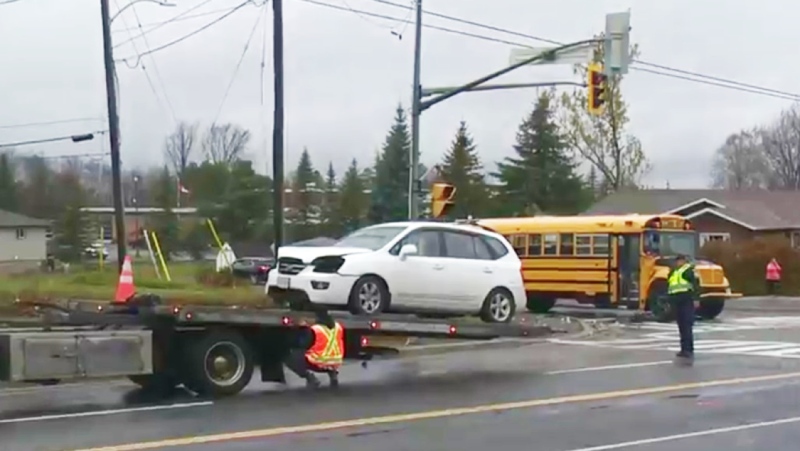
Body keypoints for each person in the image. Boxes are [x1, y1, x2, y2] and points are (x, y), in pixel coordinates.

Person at [283, 307, 345, 388]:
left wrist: (302, 329)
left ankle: (310, 378)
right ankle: (333, 374)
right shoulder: (338, 327)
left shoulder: (316, 330)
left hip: (318, 363)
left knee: (290, 357)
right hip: (335, 363)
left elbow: (303, 344)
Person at [668, 254, 697, 362]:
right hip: (677, 301)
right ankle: (683, 349)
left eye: (680, 261)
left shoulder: (688, 271)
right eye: (677, 261)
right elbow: (671, 287)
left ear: (684, 261)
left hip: (686, 300)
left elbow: (695, 285)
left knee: (686, 325)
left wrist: (695, 299)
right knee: (681, 326)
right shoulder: (674, 272)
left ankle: (688, 349)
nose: (678, 263)